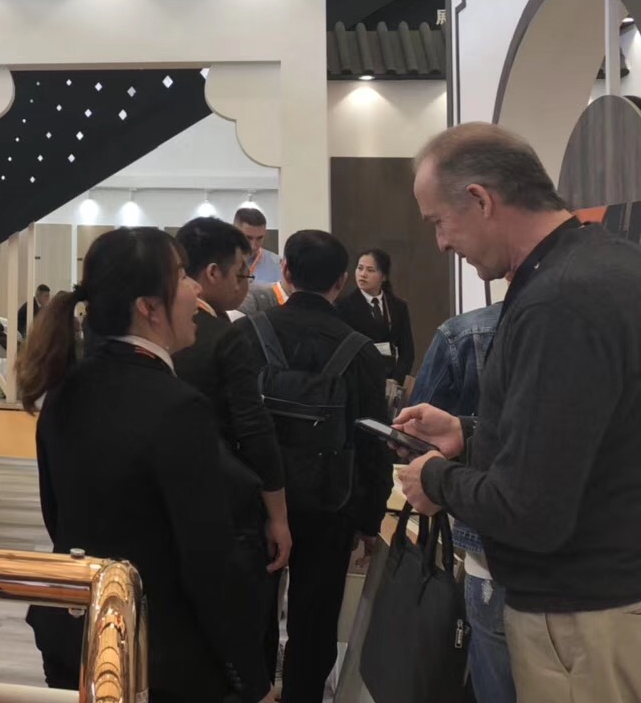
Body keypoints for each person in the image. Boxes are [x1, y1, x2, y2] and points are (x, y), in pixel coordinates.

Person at [396, 122, 641, 701]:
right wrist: (469, 433)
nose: (441, 243)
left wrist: (435, 477)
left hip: (580, 618)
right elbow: (587, 434)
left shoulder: (559, 299)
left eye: (438, 222)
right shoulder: (607, 264)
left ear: (481, 199)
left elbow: (531, 510)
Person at [17, 227, 275, 703]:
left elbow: (58, 518)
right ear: (149, 307)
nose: (195, 288)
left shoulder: (65, 388)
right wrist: (251, 676)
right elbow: (208, 562)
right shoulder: (179, 409)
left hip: (74, 633)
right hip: (155, 659)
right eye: (181, 276)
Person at [230, 230, 390, 703]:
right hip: (331, 506)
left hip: (255, 505)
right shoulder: (360, 351)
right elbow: (374, 443)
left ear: (285, 271)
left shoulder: (245, 336)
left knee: (252, 613)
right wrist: (369, 521)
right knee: (315, 621)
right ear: (341, 281)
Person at [173, 217, 290, 674]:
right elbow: (254, 429)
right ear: (211, 274)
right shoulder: (225, 338)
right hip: (227, 504)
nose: (247, 285)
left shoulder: (155, 337)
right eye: (242, 273)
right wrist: (278, 515)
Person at [409, 303, 512, 703]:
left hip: (491, 545)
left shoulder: (464, 333)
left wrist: (437, 478)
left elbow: (415, 437)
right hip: (598, 563)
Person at [337, 248, 415, 380]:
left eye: (370, 270)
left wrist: (397, 379)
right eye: (360, 268)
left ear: (383, 276)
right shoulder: (343, 306)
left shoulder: (398, 306)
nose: (363, 274)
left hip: (391, 378)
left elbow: (407, 351)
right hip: (359, 379)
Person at [235, 207, 283, 285]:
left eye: (260, 238)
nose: (253, 246)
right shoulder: (219, 262)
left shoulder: (278, 265)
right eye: (248, 238)